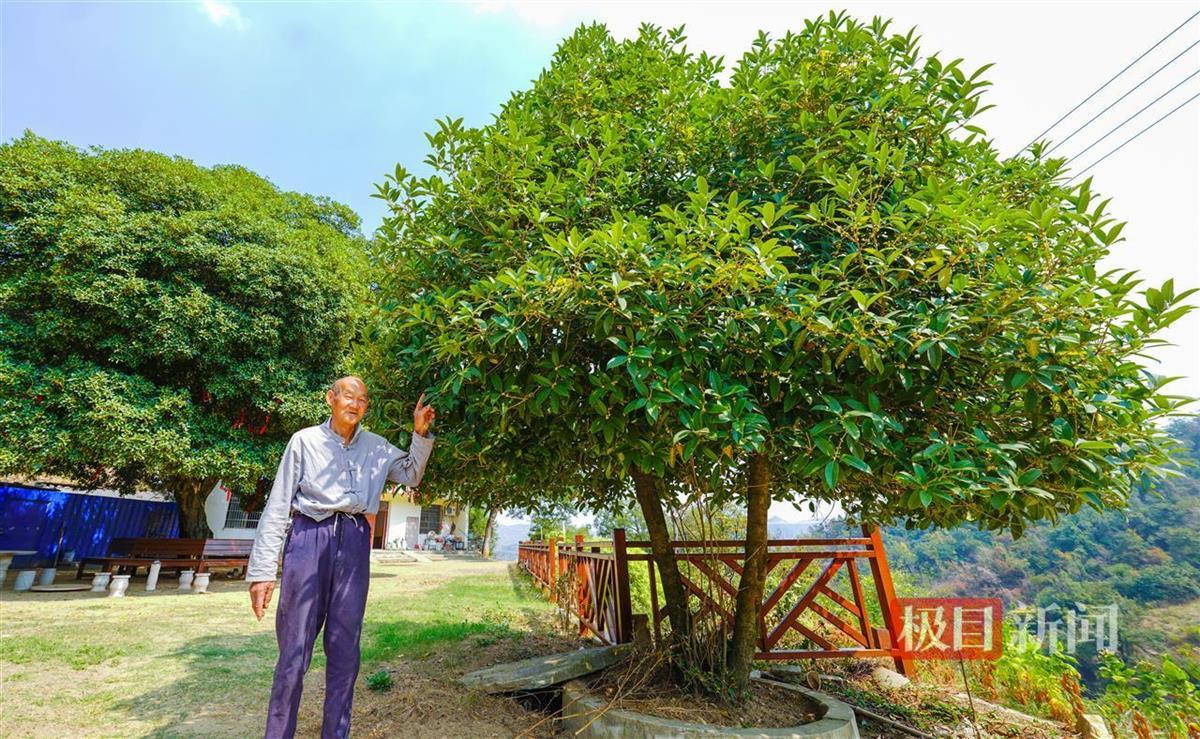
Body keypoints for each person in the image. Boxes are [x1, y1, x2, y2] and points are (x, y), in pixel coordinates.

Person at [246, 377, 435, 739]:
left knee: (345, 647)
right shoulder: (304, 441)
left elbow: (410, 473)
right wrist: (262, 571)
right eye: (349, 395)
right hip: (308, 538)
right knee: (293, 651)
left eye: (363, 399)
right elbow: (277, 505)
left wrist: (420, 432)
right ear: (331, 398)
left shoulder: (377, 447)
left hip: (353, 542)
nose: (356, 403)